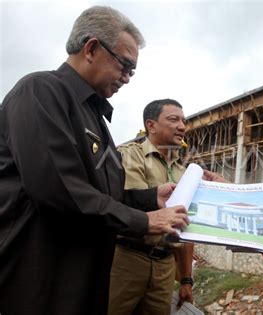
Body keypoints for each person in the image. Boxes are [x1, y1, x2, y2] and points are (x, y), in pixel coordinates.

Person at [0, 6, 188, 315]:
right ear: (91, 49)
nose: (127, 78)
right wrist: (145, 221)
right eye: (124, 65)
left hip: (81, 277)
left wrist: (150, 198)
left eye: (133, 71)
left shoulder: (95, 117)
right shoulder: (40, 92)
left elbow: (104, 196)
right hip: (36, 277)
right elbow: (58, 189)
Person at [109, 99, 194, 315]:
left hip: (165, 266)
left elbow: (186, 228)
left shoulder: (184, 172)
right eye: (173, 120)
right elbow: (131, 207)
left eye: (184, 121)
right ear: (151, 125)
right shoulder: (130, 155)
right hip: (128, 260)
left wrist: (186, 279)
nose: (182, 127)